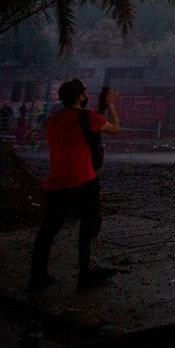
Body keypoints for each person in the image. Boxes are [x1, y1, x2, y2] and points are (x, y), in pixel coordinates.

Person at [29, 80, 121, 291]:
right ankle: (87, 272)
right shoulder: (87, 117)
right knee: (90, 225)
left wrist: (100, 108)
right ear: (80, 96)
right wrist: (112, 105)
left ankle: (37, 275)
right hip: (83, 181)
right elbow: (115, 129)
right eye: (85, 92)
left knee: (48, 230)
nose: (87, 94)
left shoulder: (53, 118)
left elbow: (81, 127)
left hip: (55, 183)